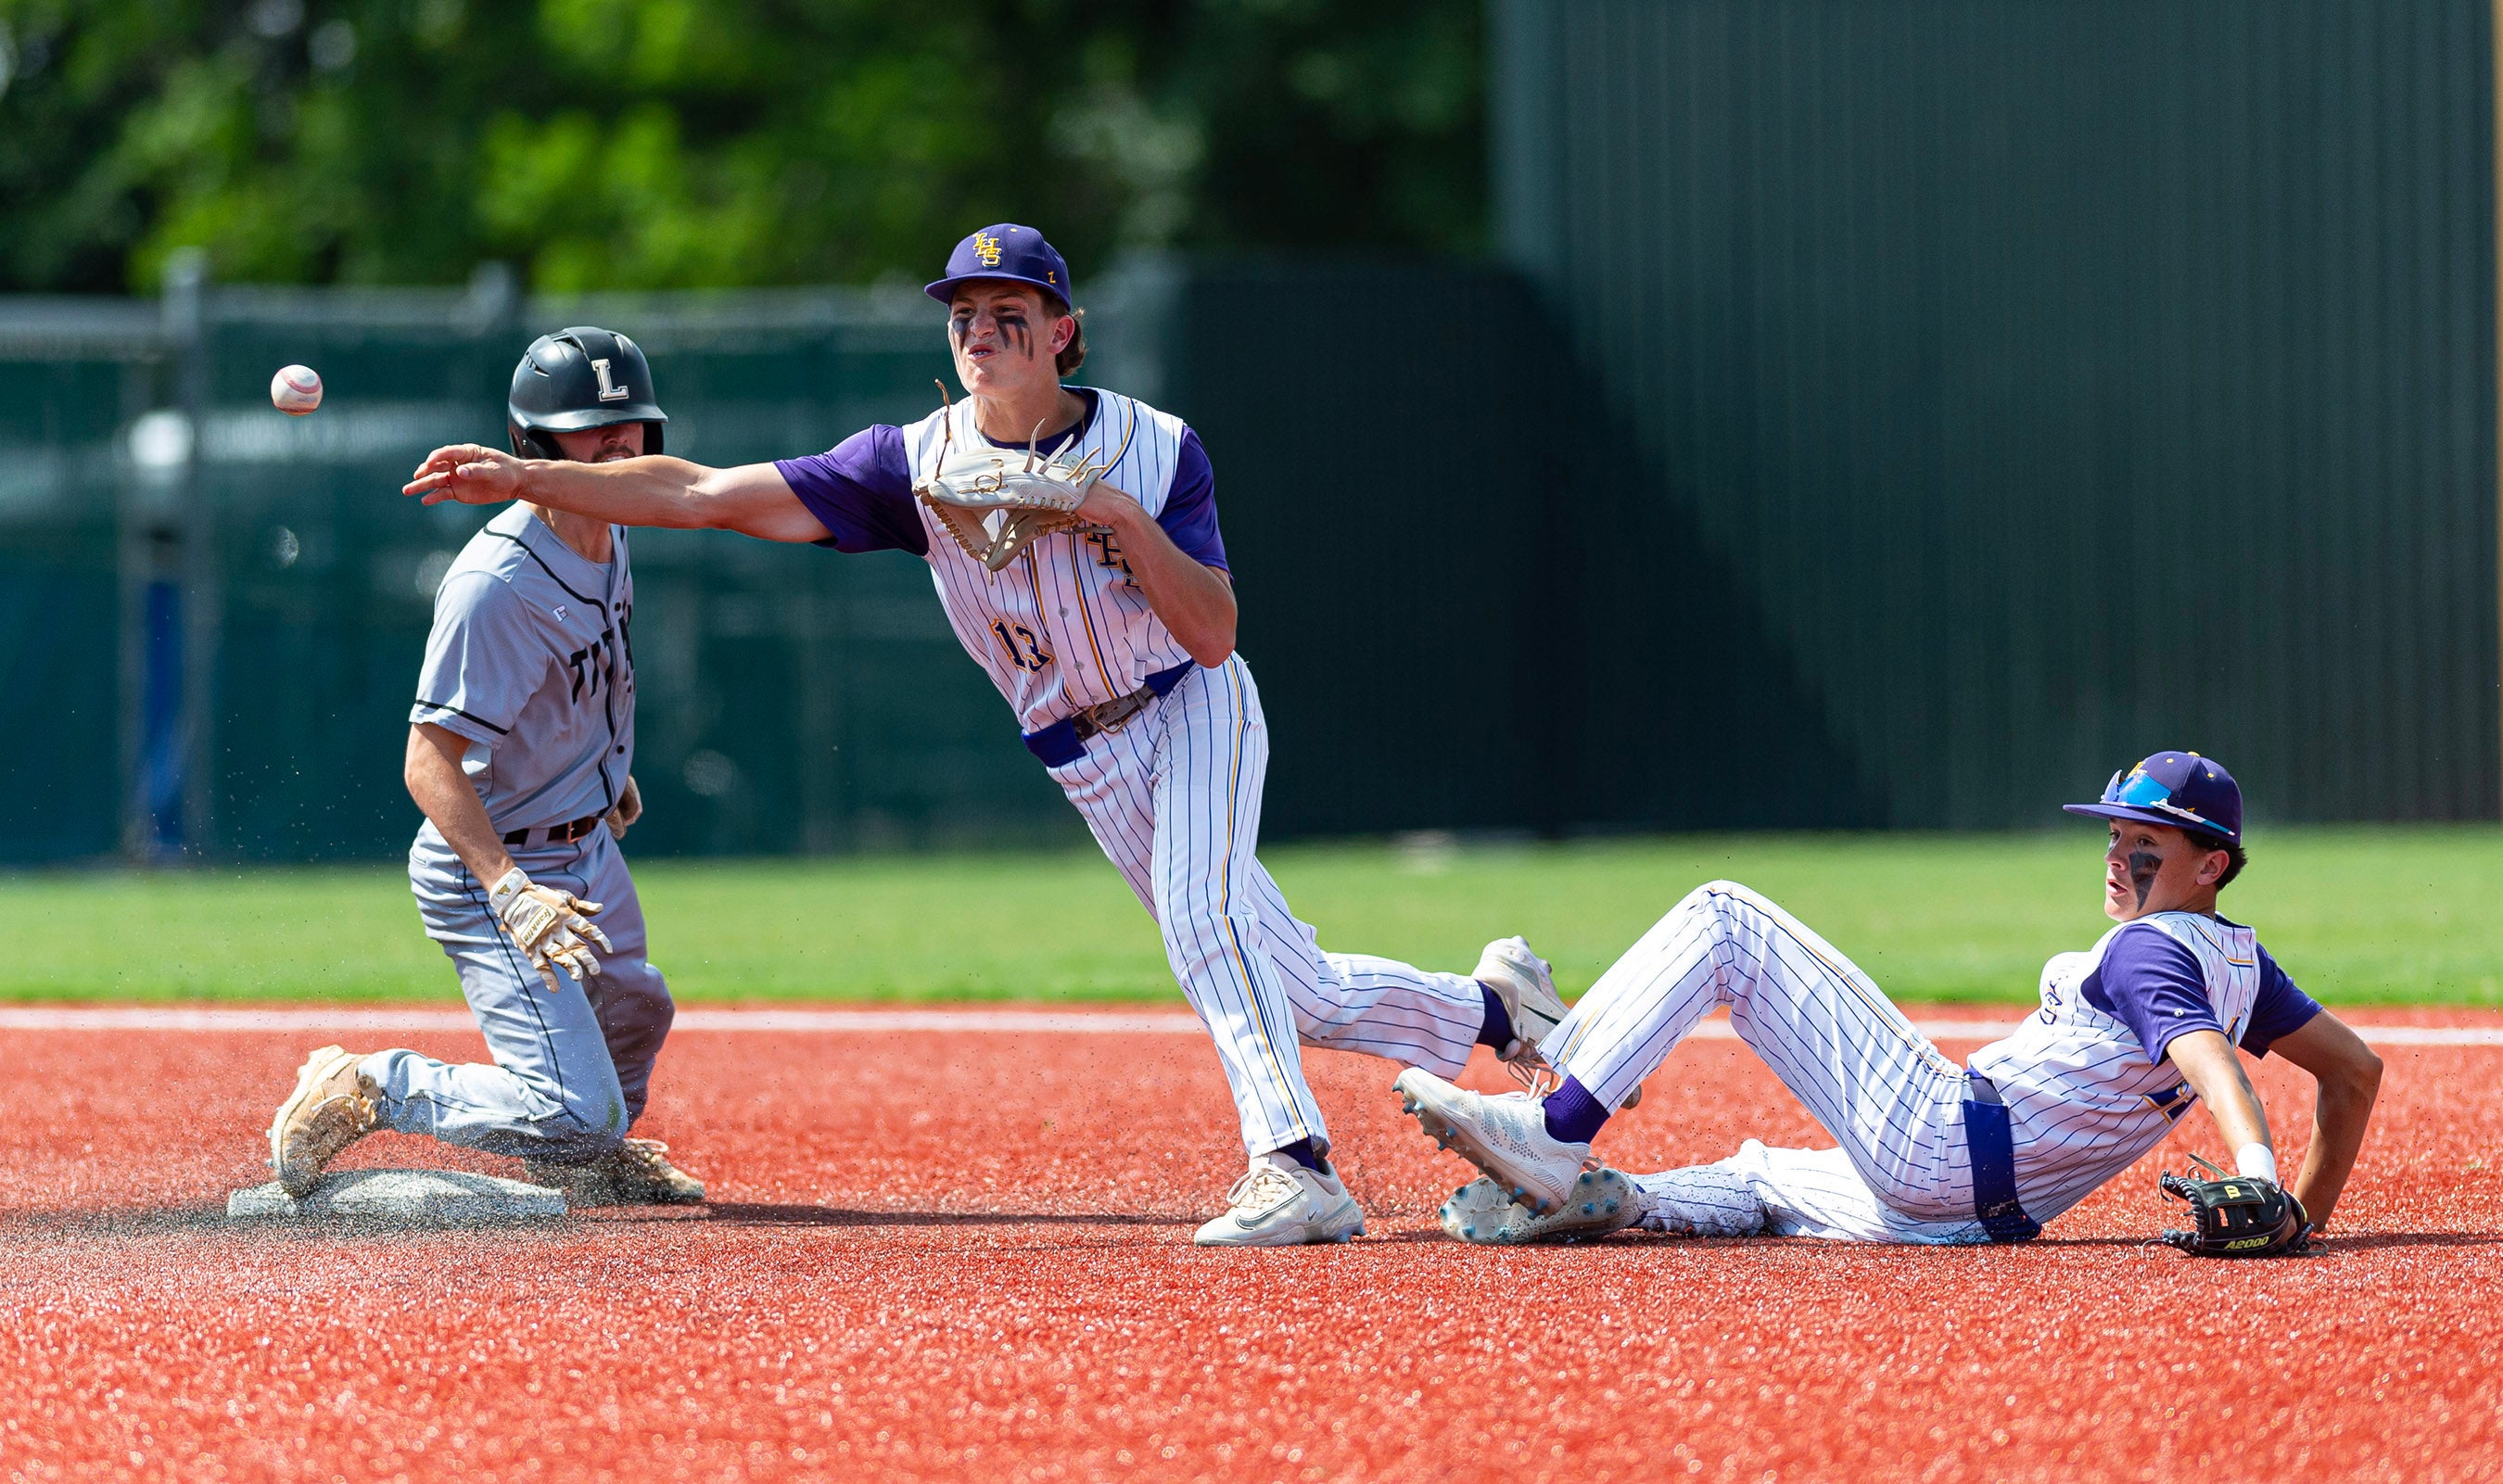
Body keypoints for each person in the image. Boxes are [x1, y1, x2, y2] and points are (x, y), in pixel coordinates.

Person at [400, 224, 1567, 1246]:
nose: (981, 332)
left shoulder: (1158, 448)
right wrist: (519, 472)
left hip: (1189, 706)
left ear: (1065, 331)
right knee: (1290, 984)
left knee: (1210, 923)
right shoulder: (914, 466)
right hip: (1085, 754)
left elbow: (1213, 635)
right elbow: (703, 492)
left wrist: (1113, 515)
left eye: (1011, 313)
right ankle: (1496, 1010)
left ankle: (1296, 1167)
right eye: (964, 314)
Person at [1393, 752, 2384, 1248]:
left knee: (1726, 917)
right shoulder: (2244, 964)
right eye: (2114, 835)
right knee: (1759, 1174)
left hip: (1940, 1137)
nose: (2119, 858)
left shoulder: (2145, 954)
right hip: (1979, 1215)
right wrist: (2297, 1215)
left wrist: (2260, 1174)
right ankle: (1610, 1198)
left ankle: (1556, 1131)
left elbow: (2205, 1057)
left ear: (2213, 864)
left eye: (2148, 844)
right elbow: (2355, 1069)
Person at [264, 327, 705, 1208]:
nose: (620, 449)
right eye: (592, 431)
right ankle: (373, 1083)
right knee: (575, 1109)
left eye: (632, 431)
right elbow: (426, 764)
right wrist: (509, 887)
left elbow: (590, 667)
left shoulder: (610, 527)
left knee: (636, 1009)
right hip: (494, 863)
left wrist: (603, 764)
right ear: (535, 447)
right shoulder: (497, 582)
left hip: (582, 844)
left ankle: (586, 1157)